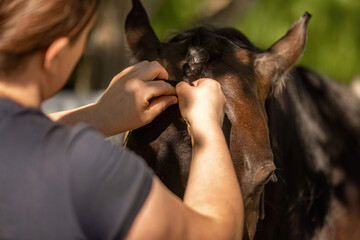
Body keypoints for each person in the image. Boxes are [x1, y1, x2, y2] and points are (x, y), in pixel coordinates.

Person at [0, 0, 244, 239]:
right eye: (83, 37)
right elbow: (215, 233)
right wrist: (207, 127)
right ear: (55, 55)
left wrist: (96, 116)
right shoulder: (82, 165)